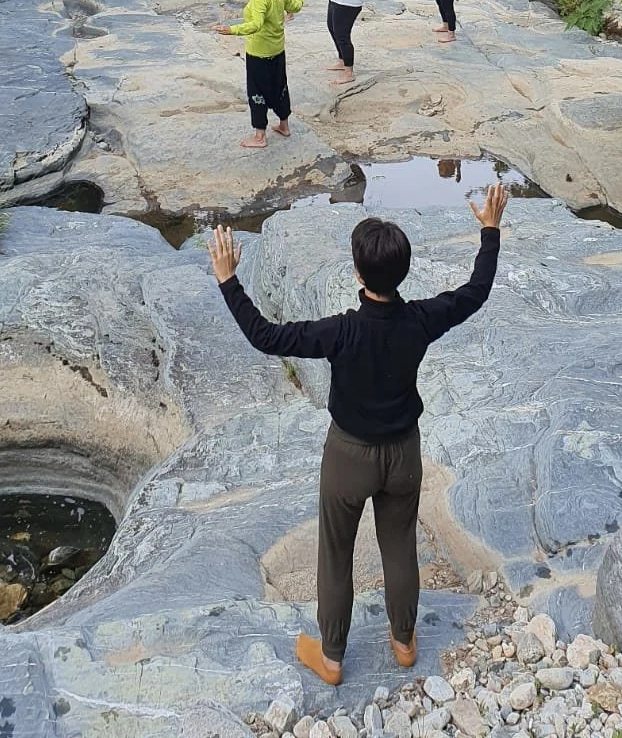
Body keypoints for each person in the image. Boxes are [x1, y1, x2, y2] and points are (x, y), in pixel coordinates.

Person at [208, 182, 509, 685]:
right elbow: (475, 292)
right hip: (403, 453)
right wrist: (490, 230)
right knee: (399, 546)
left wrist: (227, 279)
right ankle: (404, 641)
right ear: (403, 271)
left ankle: (331, 658)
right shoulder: (421, 320)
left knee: (335, 554)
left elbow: (265, 336)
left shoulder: (341, 331)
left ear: (357, 274)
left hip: (349, 456)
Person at [214, 0, 307, 149]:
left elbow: (255, 24)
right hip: (278, 50)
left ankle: (260, 136)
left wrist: (231, 30)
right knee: (280, 86)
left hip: (259, 54)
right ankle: (284, 126)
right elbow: (295, 7)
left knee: (257, 92)